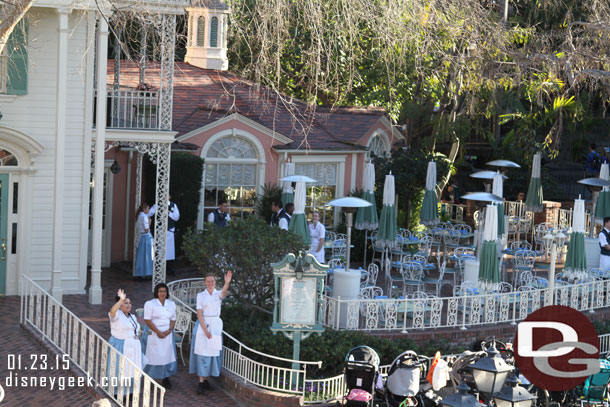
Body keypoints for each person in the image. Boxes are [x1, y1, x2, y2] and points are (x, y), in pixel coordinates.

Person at [190, 270, 232, 394]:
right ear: (205, 282)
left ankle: (207, 380)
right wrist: (205, 330)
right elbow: (199, 314)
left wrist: (227, 283)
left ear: (215, 282)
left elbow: (223, 293)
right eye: (208, 281)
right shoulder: (200, 295)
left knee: (212, 353)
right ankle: (201, 382)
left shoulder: (217, 294)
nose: (210, 283)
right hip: (204, 325)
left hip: (215, 325)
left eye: (212, 281)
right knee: (202, 353)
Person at [108, 289, 144, 394]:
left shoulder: (132, 316)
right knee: (120, 370)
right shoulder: (117, 315)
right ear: (119, 305)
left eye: (129, 303)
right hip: (121, 345)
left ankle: (130, 392)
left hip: (134, 346)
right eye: (125, 303)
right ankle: (117, 392)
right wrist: (120, 300)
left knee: (132, 370)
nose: (128, 305)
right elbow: (112, 312)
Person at [142, 283, 178, 389]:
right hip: (153, 333)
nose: (162, 293)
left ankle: (165, 378)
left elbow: (173, 319)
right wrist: (158, 332)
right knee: (152, 356)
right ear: (156, 292)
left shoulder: (171, 304)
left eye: (164, 291)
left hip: (167, 333)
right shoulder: (150, 304)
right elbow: (147, 319)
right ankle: (149, 378)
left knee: (166, 356)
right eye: (160, 291)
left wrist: (170, 330)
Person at [149, 195, 180, 274]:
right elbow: (149, 213)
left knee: (170, 250)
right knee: (160, 249)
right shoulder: (158, 205)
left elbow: (176, 217)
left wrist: (169, 213)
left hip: (169, 230)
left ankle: (169, 268)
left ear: (169, 197)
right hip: (160, 230)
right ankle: (159, 268)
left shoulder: (173, 205)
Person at [134, 203, 154, 279]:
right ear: (144, 209)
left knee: (141, 256)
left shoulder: (139, 216)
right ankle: (146, 273)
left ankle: (140, 273)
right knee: (147, 256)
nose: (148, 210)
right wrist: (149, 223)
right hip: (145, 238)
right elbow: (146, 230)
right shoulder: (144, 217)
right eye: (148, 209)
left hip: (141, 237)